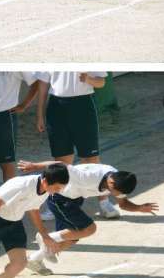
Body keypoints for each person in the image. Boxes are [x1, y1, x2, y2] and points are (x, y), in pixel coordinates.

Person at [18, 160, 158, 275]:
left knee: (71, 238)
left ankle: (34, 259)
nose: (117, 195)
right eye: (116, 192)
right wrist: (34, 166)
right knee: (90, 229)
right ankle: (46, 238)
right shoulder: (88, 175)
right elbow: (60, 165)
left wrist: (139, 208)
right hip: (59, 198)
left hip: (75, 198)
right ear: (111, 183)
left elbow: (123, 204)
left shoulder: (120, 181)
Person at [35, 72, 118, 220]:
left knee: (91, 159)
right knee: (61, 163)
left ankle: (104, 203)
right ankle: (57, 205)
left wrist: (88, 79)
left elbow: (101, 82)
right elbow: (43, 84)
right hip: (56, 107)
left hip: (83, 105)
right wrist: (40, 114)